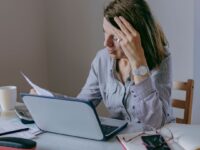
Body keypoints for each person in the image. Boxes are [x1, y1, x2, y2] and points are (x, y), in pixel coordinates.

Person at [77, 0, 174, 128]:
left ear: (136, 37)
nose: (106, 43)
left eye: (115, 37)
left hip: (157, 137)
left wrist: (138, 62)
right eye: (105, 32)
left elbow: (154, 123)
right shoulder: (102, 59)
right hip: (120, 139)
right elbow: (82, 106)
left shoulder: (161, 58)